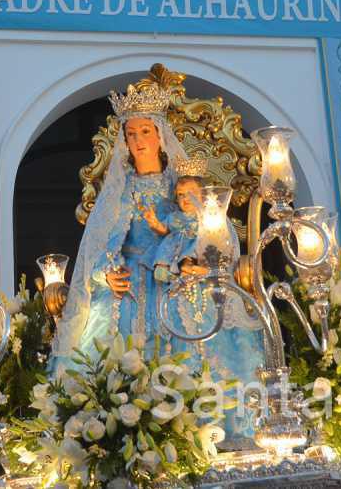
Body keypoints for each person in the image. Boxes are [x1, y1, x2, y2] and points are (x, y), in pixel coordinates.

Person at [51, 83, 188, 362]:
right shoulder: (121, 190)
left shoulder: (181, 186)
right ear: (124, 141)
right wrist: (105, 273)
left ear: (160, 137)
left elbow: (205, 231)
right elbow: (101, 243)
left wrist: (188, 262)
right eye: (131, 133)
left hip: (172, 273)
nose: (138, 140)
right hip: (129, 278)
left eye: (146, 132)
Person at [151, 155, 268, 443]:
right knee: (187, 363)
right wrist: (177, 269)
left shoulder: (216, 223)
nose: (184, 199)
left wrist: (203, 269)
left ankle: (238, 429)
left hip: (216, 299)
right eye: (179, 195)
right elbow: (161, 270)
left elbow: (225, 258)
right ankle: (193, 428)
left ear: (202, 194)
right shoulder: (174, 235)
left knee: (223, 360)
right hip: (183, 307)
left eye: (189, 194)